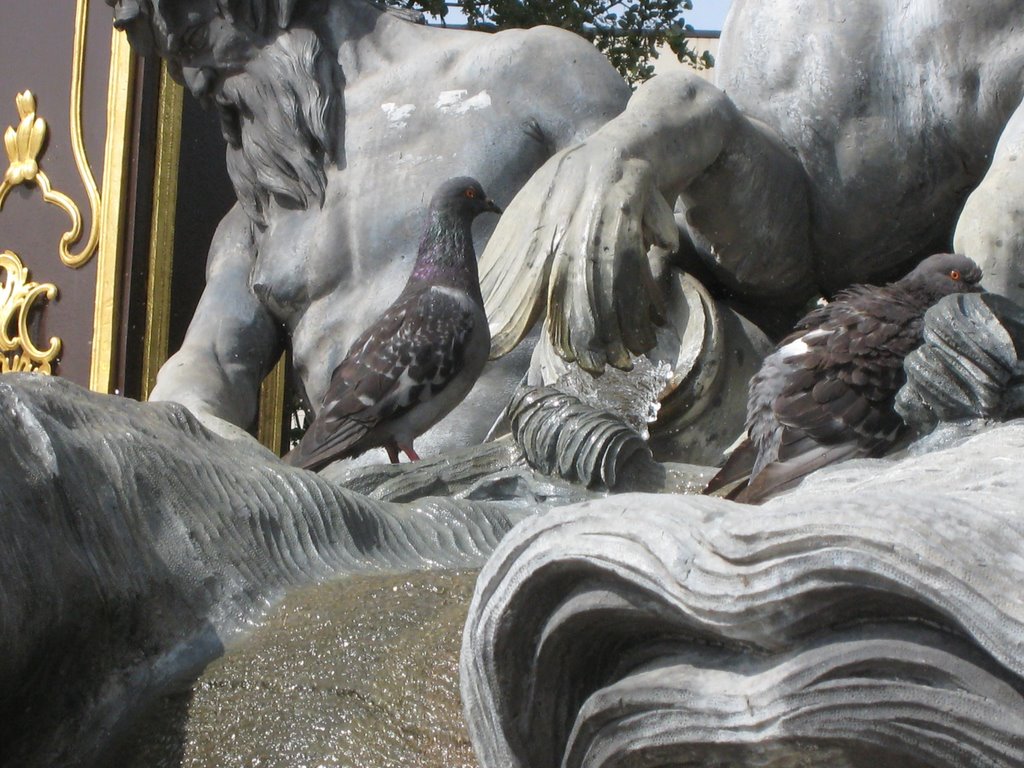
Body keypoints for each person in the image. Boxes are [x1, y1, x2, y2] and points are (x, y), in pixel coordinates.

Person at [108, 0, 630, 457]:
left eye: (196, 42)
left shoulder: (527, 74)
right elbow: (206, 373)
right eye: (179, 64)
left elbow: (681, 239)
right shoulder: (259, 214)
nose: (196, 83)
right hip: (349, 520)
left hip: (517, 491)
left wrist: (676, 124)